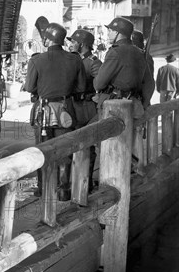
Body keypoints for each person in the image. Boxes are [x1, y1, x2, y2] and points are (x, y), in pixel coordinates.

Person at [24, 23, 86, 200]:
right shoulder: (75, 60)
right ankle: (63, 190)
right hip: (66, 110)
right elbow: (80, 87)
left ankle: (44, 188)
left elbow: (29, 87)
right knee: (65, 150)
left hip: (43, 111)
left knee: (43, 150)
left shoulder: (36, 60)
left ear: (47, 39)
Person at [94, 17, 155, 111]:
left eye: (110, 31)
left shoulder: (115, 52)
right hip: (135, 104)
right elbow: (149, 83)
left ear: (117, 33)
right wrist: (144, 104)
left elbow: (99, 84)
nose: (108, 34)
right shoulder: (140, 53)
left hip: (115, 105)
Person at [67, 29, 102, 192]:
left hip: (86, 107)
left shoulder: (93, 62)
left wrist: (97, 97)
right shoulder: (72, 59)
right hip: (72, 106)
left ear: (82, 44)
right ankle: (73, 182)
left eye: (73, 41)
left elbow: (102, 83)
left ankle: (85, 183)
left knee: (86, 144)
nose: (71, 44)